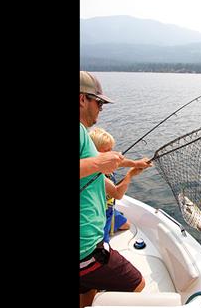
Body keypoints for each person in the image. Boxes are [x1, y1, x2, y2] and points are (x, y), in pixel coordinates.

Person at [80, 71, 150, 308]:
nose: (101, 108)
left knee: (87, 294)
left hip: (87, 247)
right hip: (86, 249)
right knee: (137, 284)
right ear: (82, 99)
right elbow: (100, 162)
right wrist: (100, 163)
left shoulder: (84, 136)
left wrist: (134, 166)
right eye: (98, 102)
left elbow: (109, 164)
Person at [89, 127, 151, 241]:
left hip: (109, 208)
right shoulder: (96, 176)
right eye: (106, 151)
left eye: (111, 150)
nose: (112, 155)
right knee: (103, 245)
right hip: (99, 215)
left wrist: (137, 163)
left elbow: (119, 162)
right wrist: (130, 175)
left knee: (127, 225)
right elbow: (117, 194)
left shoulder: (105, 163)